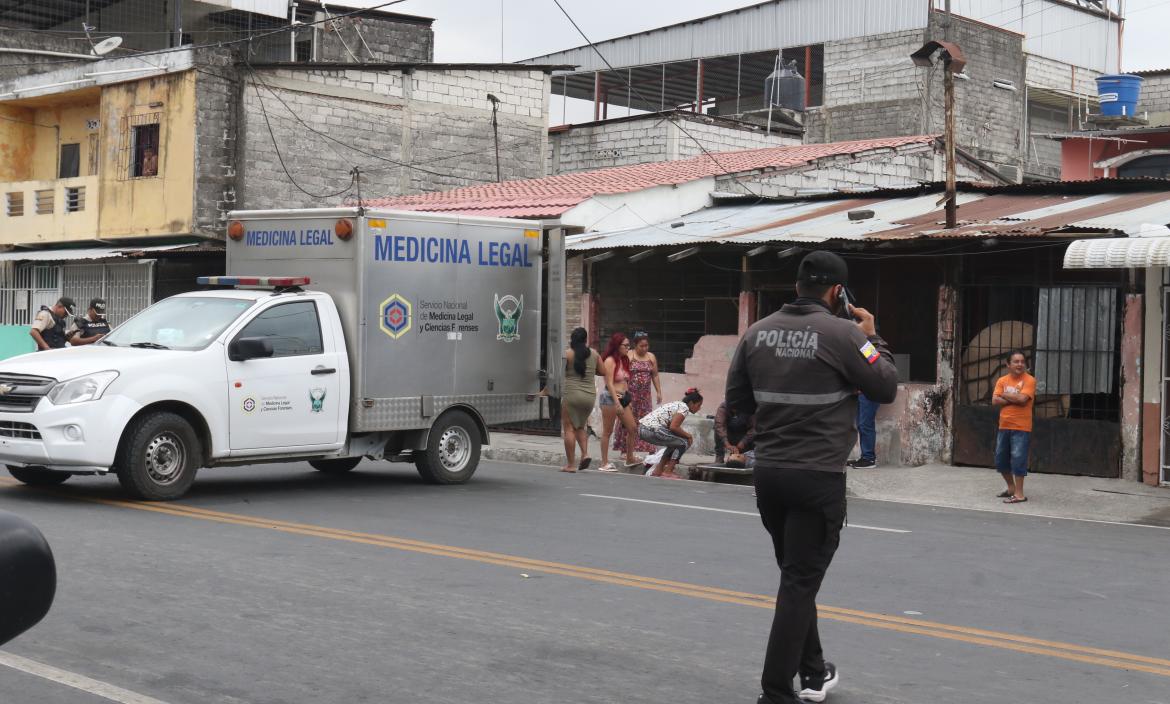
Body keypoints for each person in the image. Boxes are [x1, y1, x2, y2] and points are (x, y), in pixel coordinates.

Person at [726, 251, 897, 704]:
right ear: (838, 292)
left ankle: (815, 672)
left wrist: (753, 437)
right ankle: (775, 692)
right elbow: (885, 385)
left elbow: (737, 407)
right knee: (798, 582)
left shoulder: (756, 333)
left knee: (796, 577)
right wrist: (873, 338)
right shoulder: (845, 334)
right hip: (816, 476)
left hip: (770, 477)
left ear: (796, 285)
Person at [992, 350, 1035, 504]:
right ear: (1008, 364)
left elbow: (1023, 399)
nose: (1020, 364)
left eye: (1022, 361)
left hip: (1022, 426)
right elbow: (994, 401)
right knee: (1000, 460)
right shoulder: (1002, 380)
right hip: (1004, 425)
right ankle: (1011, 487)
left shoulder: (1029, 380)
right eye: (1016, 362)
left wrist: (1004, 395)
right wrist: (1014, 398)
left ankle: (1019, 494)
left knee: (1018, 459)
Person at [560, 328, 602, 473]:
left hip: (572, 395)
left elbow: (559, 374)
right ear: (585, 340)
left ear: (572, 339)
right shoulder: (594, 354)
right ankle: (585, 454)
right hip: (589, 396)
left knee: (569, 429)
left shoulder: (567, 354)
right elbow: (602, 371)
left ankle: (571, 464)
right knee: (580, 426)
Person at [638, 388, 704, 479]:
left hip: (643, 429)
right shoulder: (684, 408)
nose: (699, 408)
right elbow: (674, 427)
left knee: (674, 442)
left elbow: (671, 426)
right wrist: (689, 436)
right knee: (684, 442)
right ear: (692, 403)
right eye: (699, 405)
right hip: (652, 429)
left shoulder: (677, 404)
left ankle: (658, 470)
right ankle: (668, 471)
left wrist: (683, 434)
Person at [598, 332, 640, 472]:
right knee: (607, 431)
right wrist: (617, 403)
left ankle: (629, 457)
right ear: (617, 346)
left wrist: (628, 400)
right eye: (625, 345)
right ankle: (604, 462)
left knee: (633, 428)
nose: (628, 348)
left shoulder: (624, 360)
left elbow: (625, 381)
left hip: (623, 397)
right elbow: (609, 384)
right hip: (611, 397)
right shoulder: (610, 360)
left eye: (629, 345)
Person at [614, 331, 661, 455]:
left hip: (645, 397)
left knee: (646, 421)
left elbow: (655, 375)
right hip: (630, 396)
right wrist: (623, 393)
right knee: (628, 422)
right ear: (635, 345)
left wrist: (659, 392)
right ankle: (625, 450)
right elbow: (622, 375)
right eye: (642, 346)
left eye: (646, 345)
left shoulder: (651, 357)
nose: (645, 348)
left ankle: (649, 448)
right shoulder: (629, 356)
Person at [847, 393, 881, 469]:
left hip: (869, 391)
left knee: (865, 425)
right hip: (861, 392)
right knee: (860, 424)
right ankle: (865, 457)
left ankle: (869, 459)